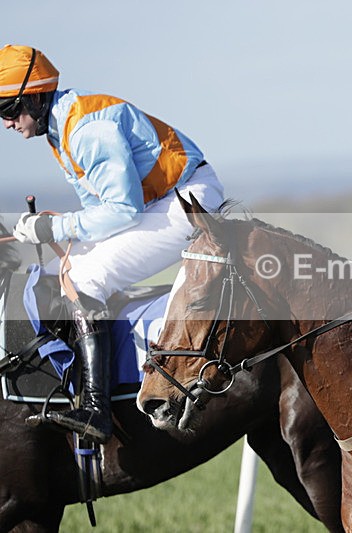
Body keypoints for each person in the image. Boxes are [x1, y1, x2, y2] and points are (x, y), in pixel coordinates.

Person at [0, 45, 225, 443]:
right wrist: (53, 229)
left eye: (8, 110)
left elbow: (122, 210)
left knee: (86, 278)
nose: (7, 123)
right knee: (60, 271)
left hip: (187, 200)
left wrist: (52, 229)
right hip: (162, 201)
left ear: (34, 96)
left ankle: (97, 409)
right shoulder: (62, 129)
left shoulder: (85, 130)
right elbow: (100, 210)